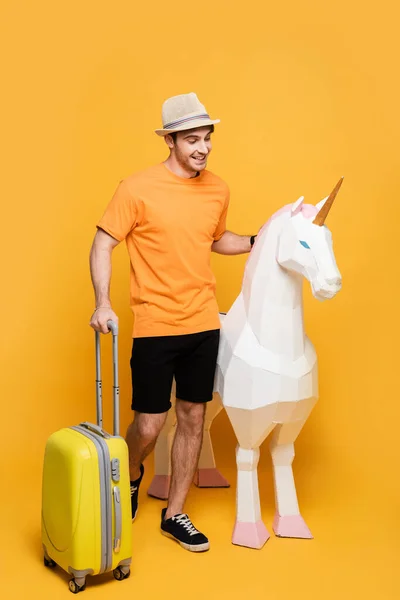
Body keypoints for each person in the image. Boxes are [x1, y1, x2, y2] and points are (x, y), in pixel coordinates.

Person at [89, 92, 257, 552]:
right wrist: (103, 302)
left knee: (193, 417)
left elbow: (217, 238)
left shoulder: (217, 189)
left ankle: (175, 513)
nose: (202, 148)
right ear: (170, 141)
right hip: (156, 323)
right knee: (149, 423)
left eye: (207, 139)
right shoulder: (136, 188)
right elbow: (103, 243)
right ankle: (134, 471)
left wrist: (259, 240)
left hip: (203, 322)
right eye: (191, 140)